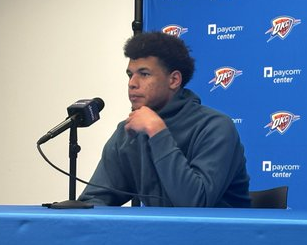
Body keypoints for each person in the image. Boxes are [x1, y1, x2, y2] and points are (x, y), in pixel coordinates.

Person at [78, 31, 250, 207]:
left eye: (144, 74)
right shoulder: (129, 131)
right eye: (130, 75)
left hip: (218, 226)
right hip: (157, 226)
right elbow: (93, 200)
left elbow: (195, 205)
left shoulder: (215, 127)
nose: (132, 83)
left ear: (174, 80)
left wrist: (157, 131)